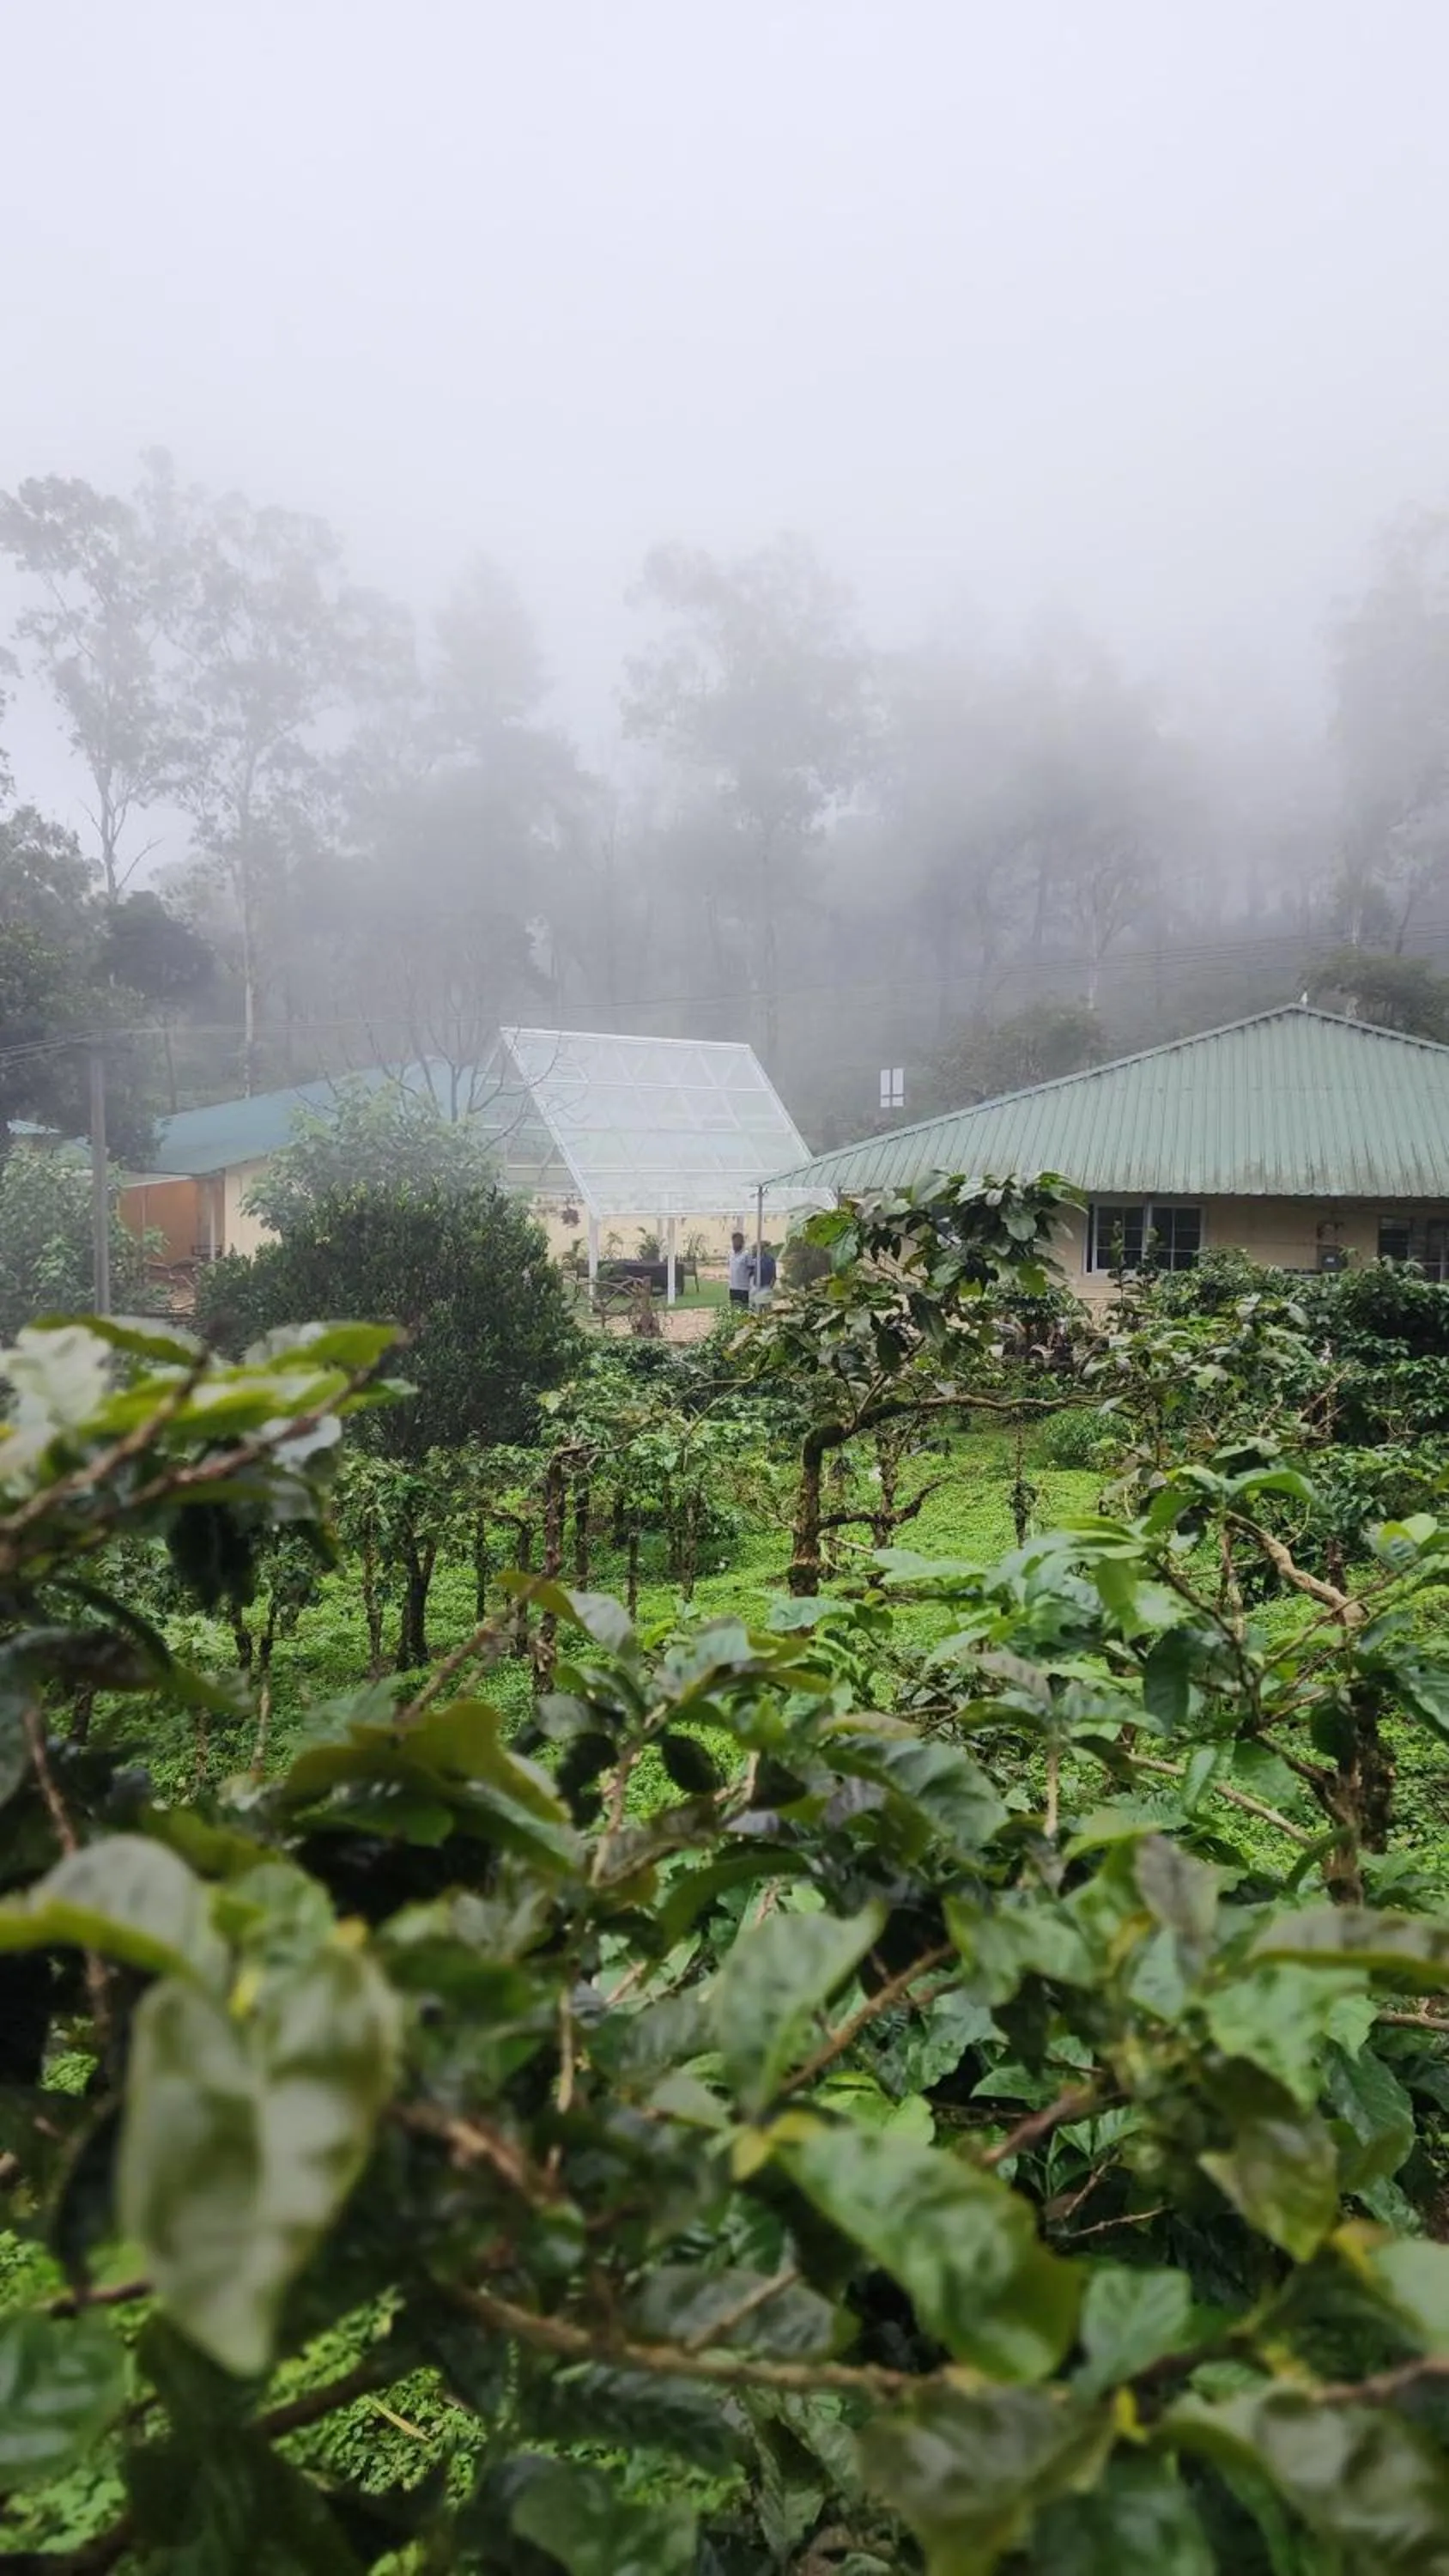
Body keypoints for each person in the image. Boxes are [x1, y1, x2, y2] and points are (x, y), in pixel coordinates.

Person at [727, 1230, 753, 1308]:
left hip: (743, 1288)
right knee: (734, 1310)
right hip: (733, 1287)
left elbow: (752, 1270)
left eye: (738, 1241)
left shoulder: (746, 1255)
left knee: (743, 1310)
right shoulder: (730, 1254)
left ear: (742, 1242)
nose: (735, 1244)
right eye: (734, 1241)